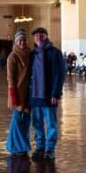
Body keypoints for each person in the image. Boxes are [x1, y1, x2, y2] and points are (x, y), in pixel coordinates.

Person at [28, 27, 66, 162]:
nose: (38, 37)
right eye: (36, 35)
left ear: (46, 36)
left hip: (49, 95)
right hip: (35, 96)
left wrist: (56, 93)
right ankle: (40, 147)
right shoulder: (32, 54)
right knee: (37, 123)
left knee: (51, 123)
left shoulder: (55, 53)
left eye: (41, 35)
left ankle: (50, 149)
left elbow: (59, 74)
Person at [5, 28, 31, 156]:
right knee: (17, 119)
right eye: (20, 40)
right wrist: (13, 94)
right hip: (18, 92)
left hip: (28, 92)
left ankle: (20, 146)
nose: (22, 42)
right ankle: (15, 147)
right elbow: (10, 77)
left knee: (26, 120)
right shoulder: (12, 57)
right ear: (16, 41)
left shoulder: (30, 54)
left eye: (24, 40)